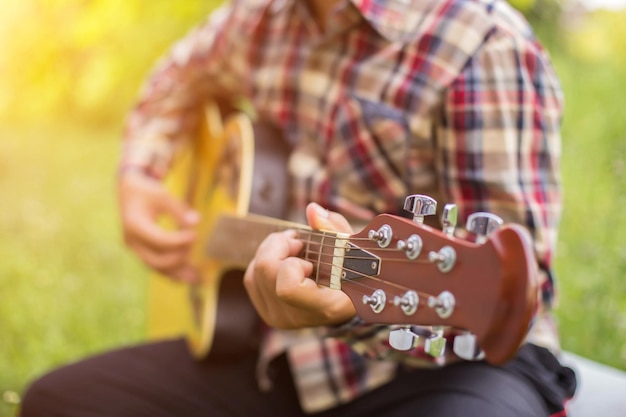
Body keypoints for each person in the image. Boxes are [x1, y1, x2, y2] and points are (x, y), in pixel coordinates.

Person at [20, 0, 577, 415]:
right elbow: (176, 80)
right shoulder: (260, 17)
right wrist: (139, 175)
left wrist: (348, 312)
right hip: (279, 356)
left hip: (449, 367)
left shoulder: (484, 45)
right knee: (59, 401)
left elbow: (511, 301)